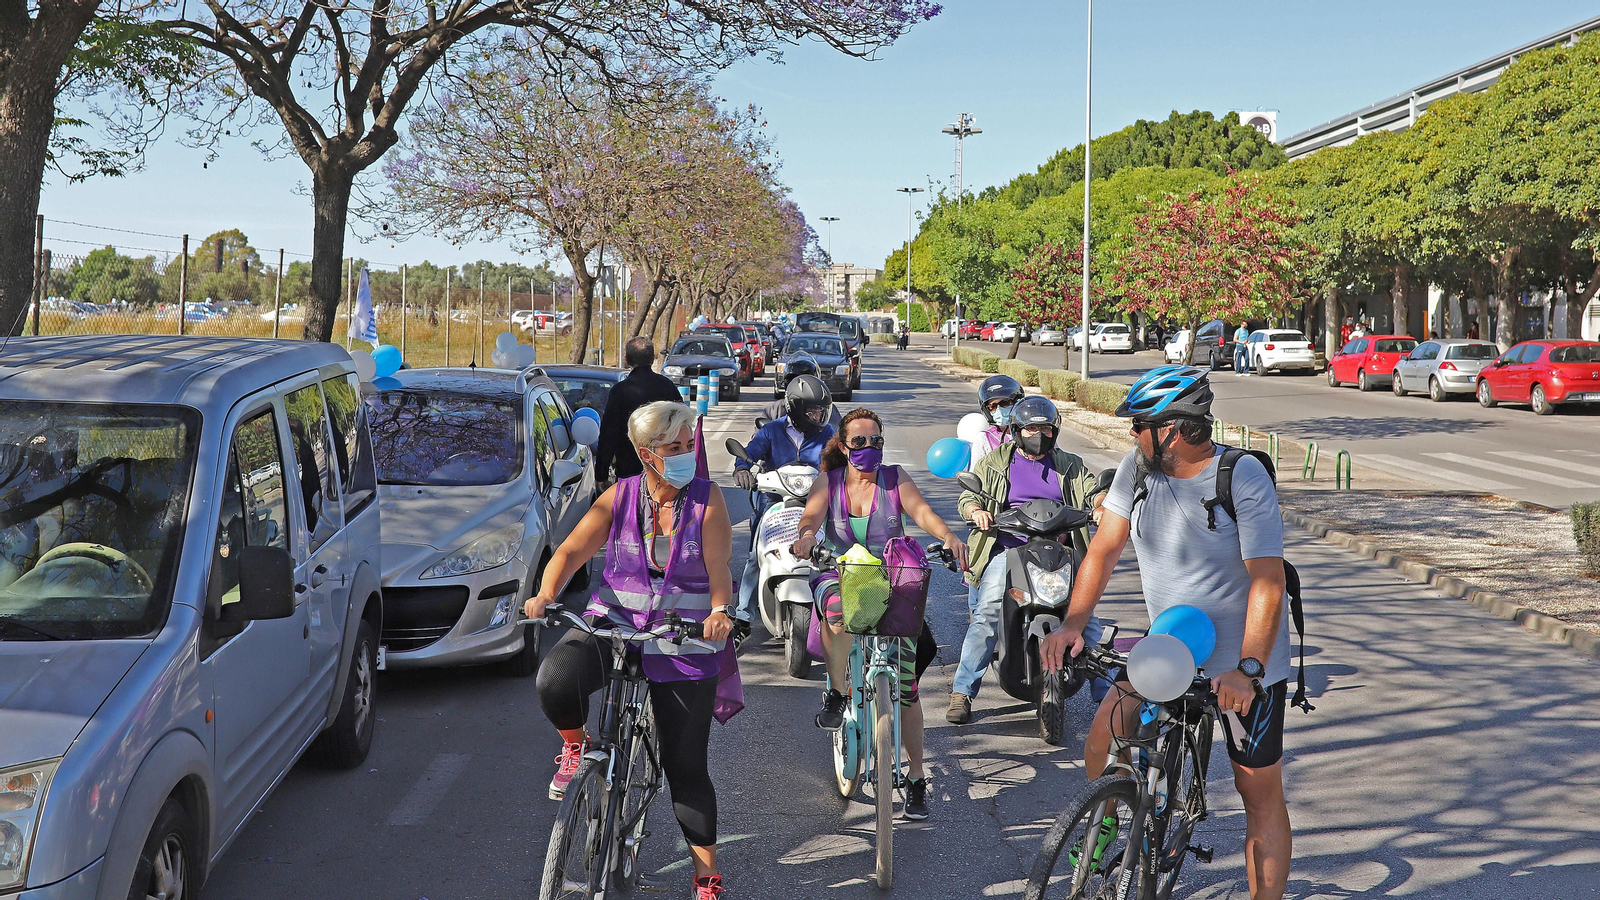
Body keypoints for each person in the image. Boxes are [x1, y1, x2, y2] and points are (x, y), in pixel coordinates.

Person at [1041, 365, 1294, 900]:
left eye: (1140, 425)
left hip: (1242, 666)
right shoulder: (1137, 469)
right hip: (1169, 649)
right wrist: (1073, 624)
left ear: (1172, 431)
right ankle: (1112, 820)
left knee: (1258, 792)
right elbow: (1104, 548)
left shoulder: (1241, 475)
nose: (1132, 434)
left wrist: (1248, 669)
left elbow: (1268, 582)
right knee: (1102, 740)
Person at [525, 401, 737, 899]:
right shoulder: (618, 497)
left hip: (685, 638)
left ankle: (706, 878)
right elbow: (570, 550)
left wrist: (720, 611)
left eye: (689, 445)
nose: (685, 454)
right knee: (555, 680)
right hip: (615, 624)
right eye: (673, 447)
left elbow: (719, 566)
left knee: (686, 768)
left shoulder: (707, 500)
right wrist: (545, 594)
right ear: (646, 453)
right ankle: (576, 745)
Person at [791, 409, 969, 821]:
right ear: (843, 446)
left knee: (907, 689)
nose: (869, 448)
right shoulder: (829, 482)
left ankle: (917, 777)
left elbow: (922, 512)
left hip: (890, 577)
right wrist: (806, 538)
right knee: (837, 614)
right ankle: (838, 693)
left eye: (876, 441)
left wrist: (947, 535)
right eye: (859, 441)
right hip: (838, 572)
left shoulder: (894, 478)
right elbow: (810, 518)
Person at [947, 396, 1099, 725]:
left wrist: (1100, 503)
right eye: (1030, 428)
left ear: (1055, 431)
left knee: (1088, 618)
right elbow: (969, 495)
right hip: (1008, 551)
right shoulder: (995, 462)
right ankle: (962, 692)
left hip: (1060, 551)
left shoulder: (1070, 464)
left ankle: (1107, 694)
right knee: (986, 613)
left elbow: (1092, 490)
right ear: (1017, 430)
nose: (1038, 435)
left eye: (1045, 429)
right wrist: (976, 510)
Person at [732, 375, 837, 644]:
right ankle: (743, 617)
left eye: (822, 411)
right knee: (757, 554)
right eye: (813, 411)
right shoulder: (772, 430)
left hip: (814, 501)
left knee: (835, 549)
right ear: (795, 409)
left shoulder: (827, 434)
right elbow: (750, 452)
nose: (819, 416)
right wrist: (742, 468)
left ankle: (840, 608)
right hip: (774, 499)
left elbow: (839, 460)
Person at [596, 337, 683, 484]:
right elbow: (682, 424)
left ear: (627, 360)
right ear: (652, 359)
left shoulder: (620, 391)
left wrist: (601, 475)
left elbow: (609, 434)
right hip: (665, 469)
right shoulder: (667, 386)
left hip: (629, 470)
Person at [958, 374, 1023, 473]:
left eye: (1005, 403)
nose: (999, 409)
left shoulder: (1032, 432)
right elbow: (975, 474)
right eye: (993, 406)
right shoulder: (984, 439)